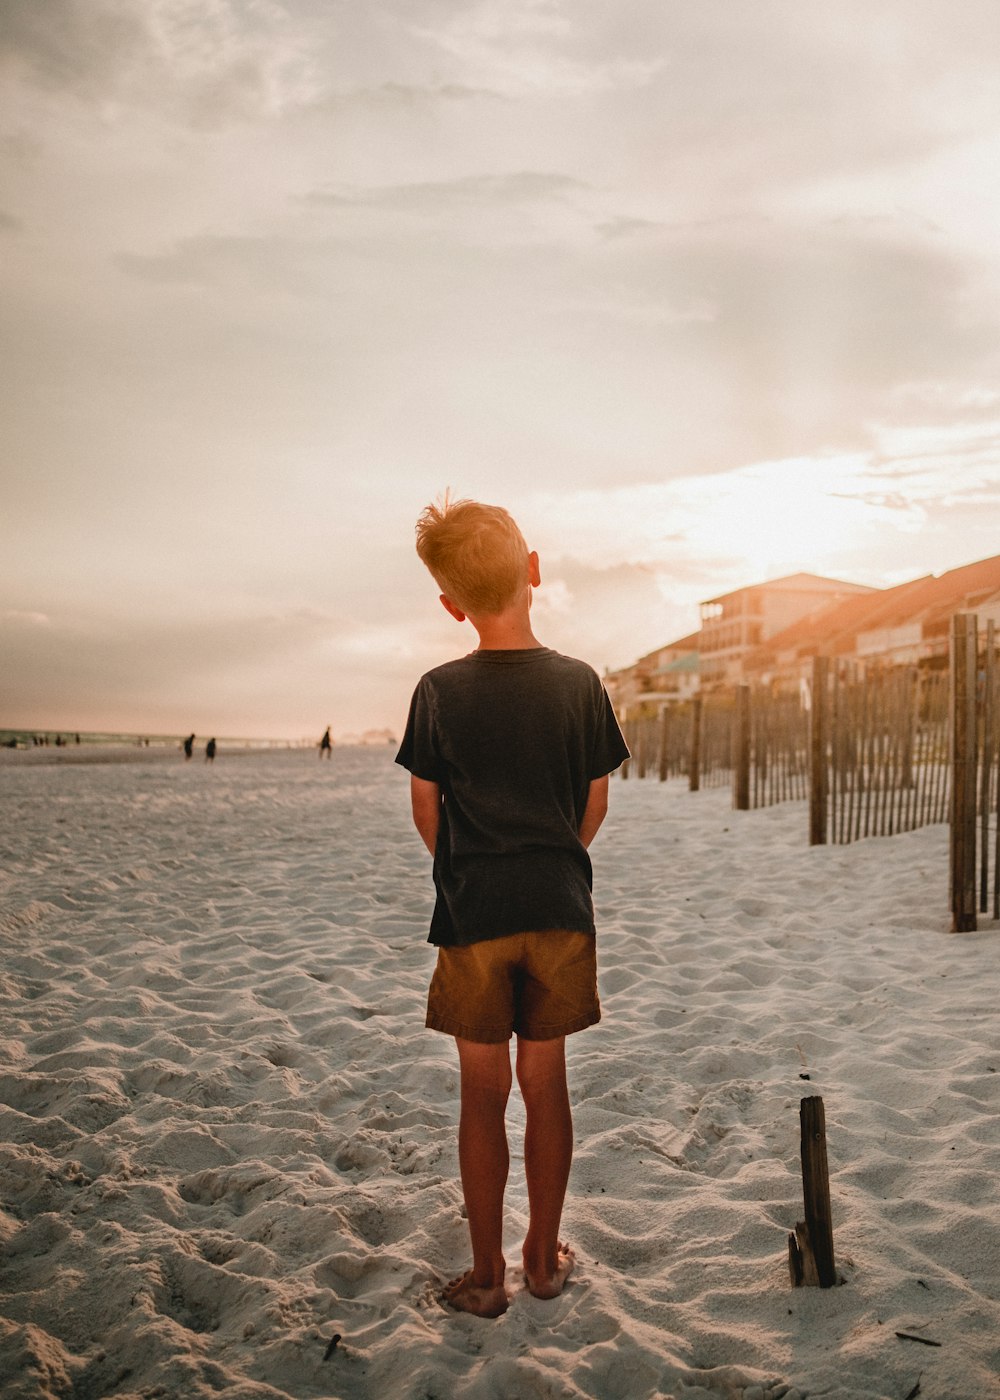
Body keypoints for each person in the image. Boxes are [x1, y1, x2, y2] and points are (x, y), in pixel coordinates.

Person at [395, 495, 629, 1319]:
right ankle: (542, 1260)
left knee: (481, 1092)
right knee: (548, 1084)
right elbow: (594, 802)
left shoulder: (437, 690)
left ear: (451, 604)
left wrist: (466, 872)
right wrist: (557, 863)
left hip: (475, 914)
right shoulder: (578, 683)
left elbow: (427, 809)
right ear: (534, 572)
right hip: (560, 905)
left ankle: (487, 1275)